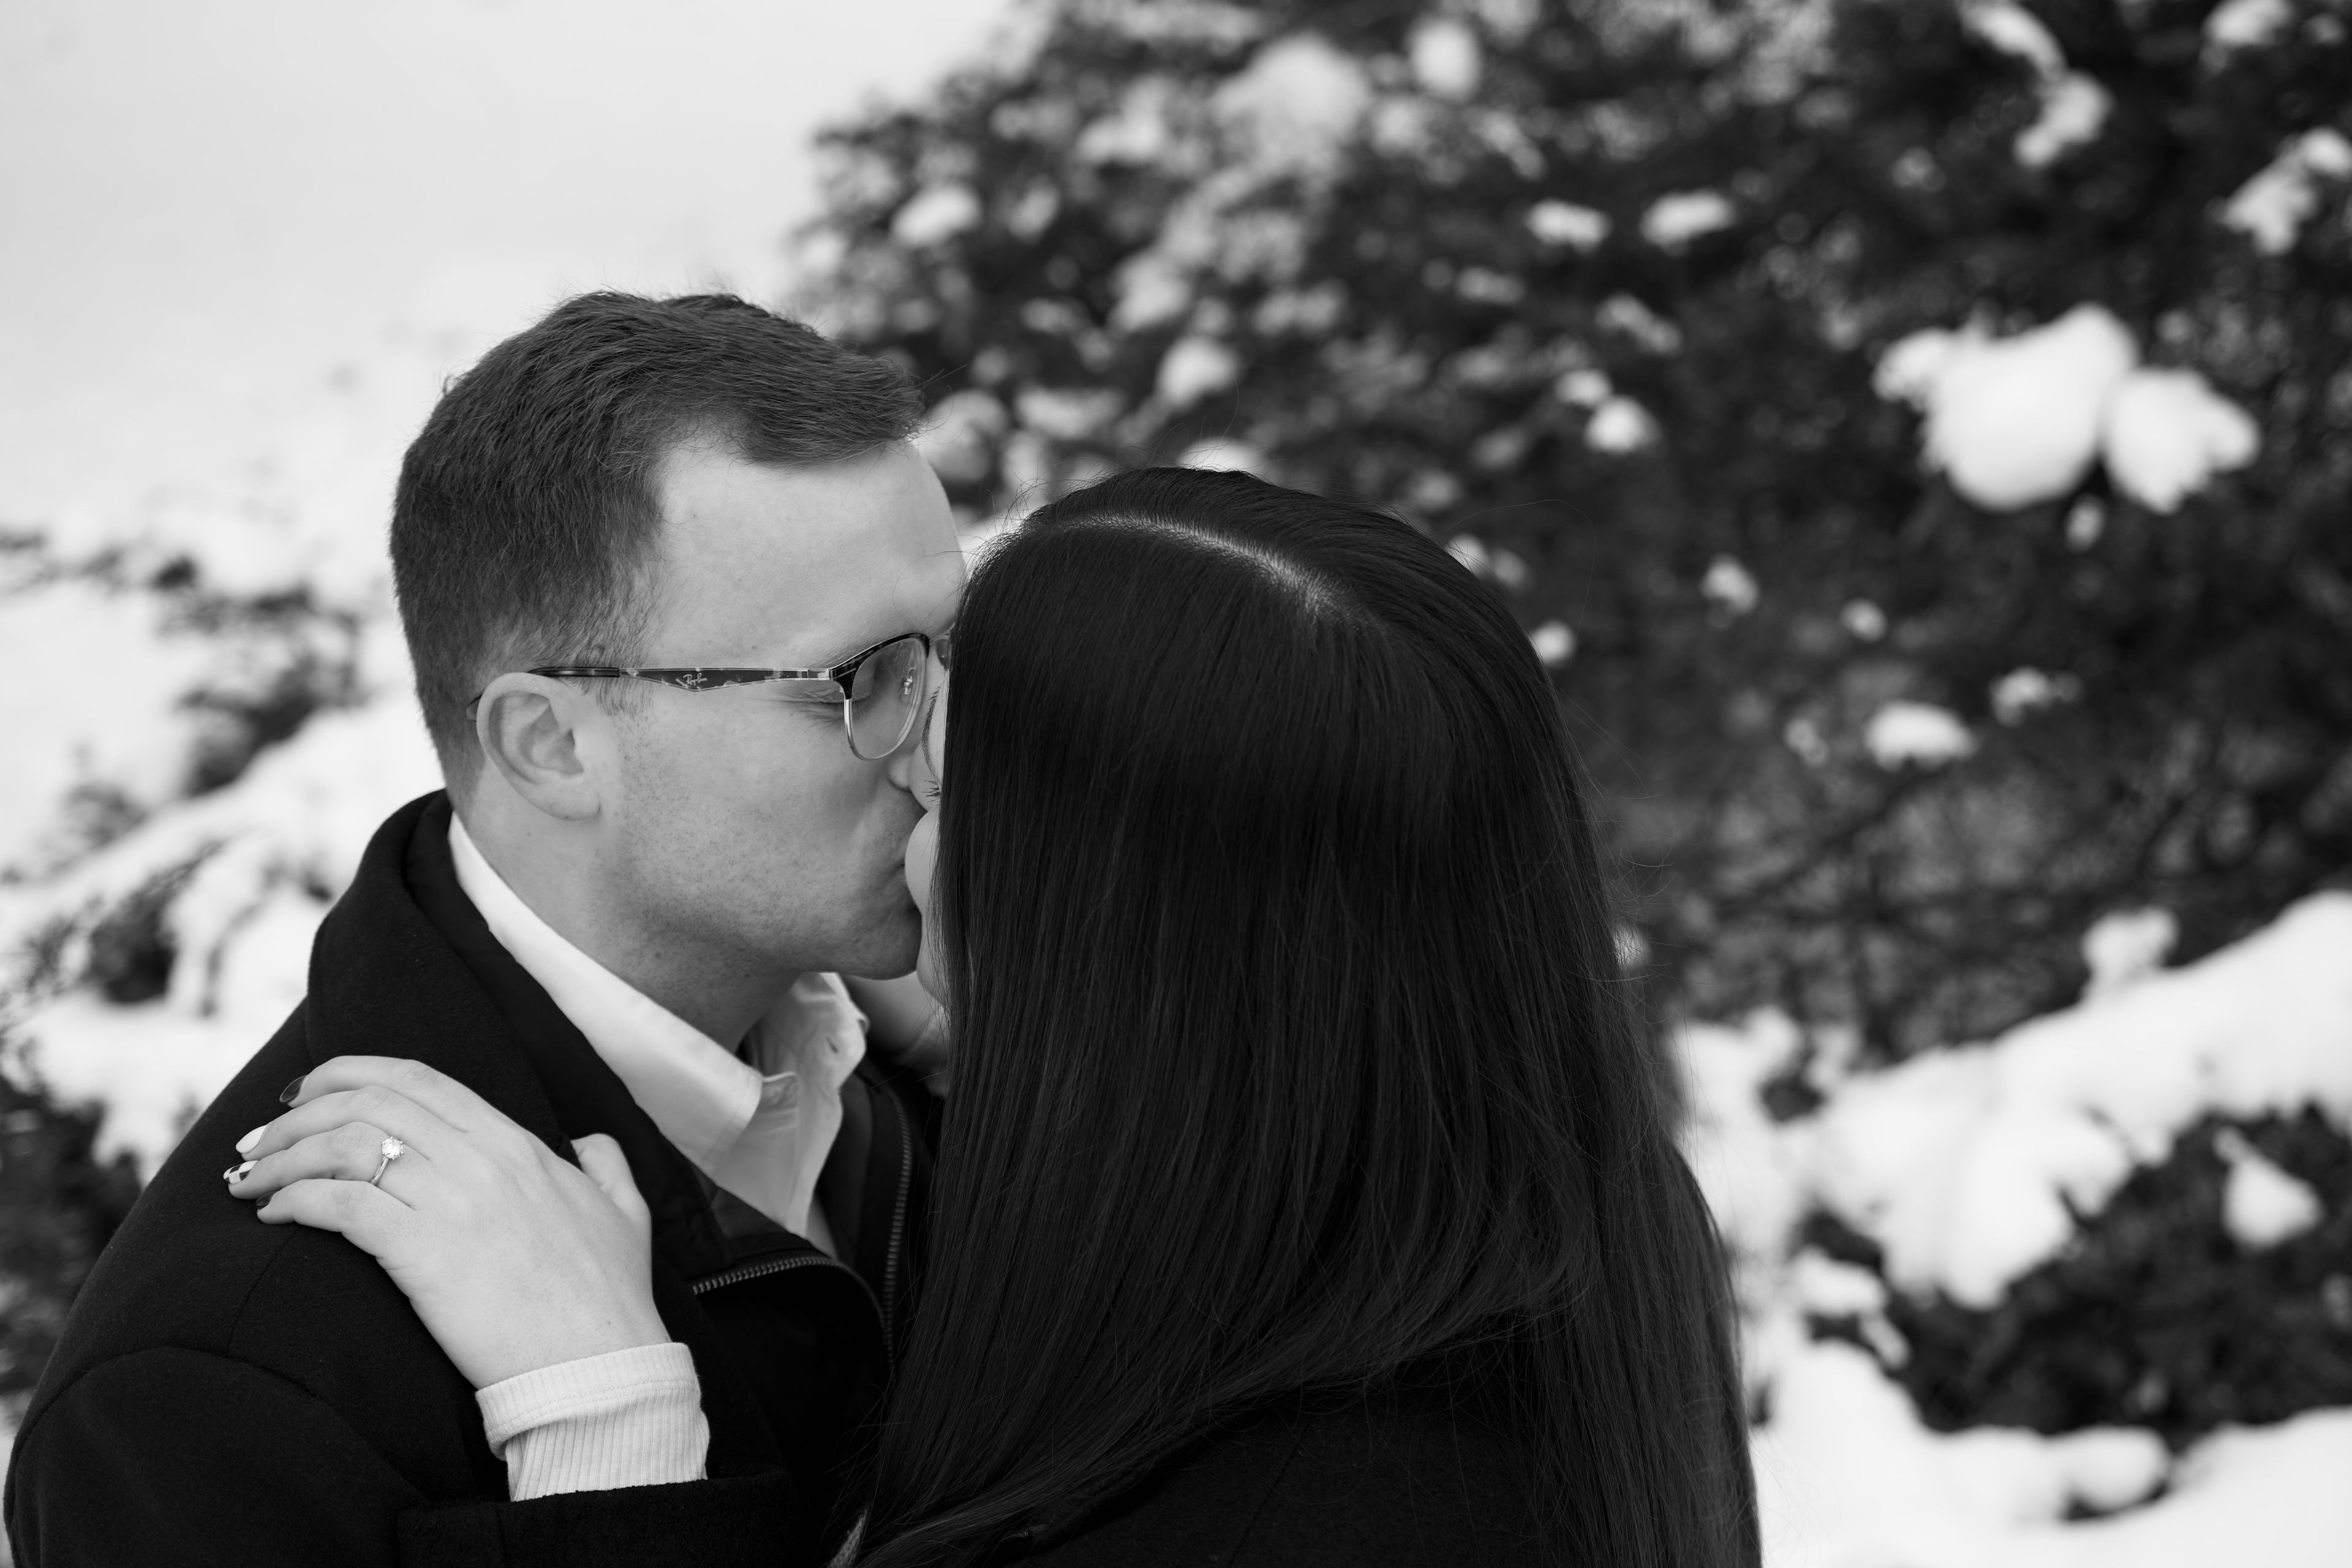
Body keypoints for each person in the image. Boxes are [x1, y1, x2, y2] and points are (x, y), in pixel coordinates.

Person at [233, 468, 1762, 1566]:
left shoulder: (1317, 1509)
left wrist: (607, 1439)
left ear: (1111, 940)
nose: (889, 798)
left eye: (940, 785)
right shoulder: (1546, 1226)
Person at [3, 292, 962, 1566]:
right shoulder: (213, 1398)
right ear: (551, 743)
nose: (948, 740)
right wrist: (606, 1462)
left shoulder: (937, 1056)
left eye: (956, 646)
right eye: (865, 680)